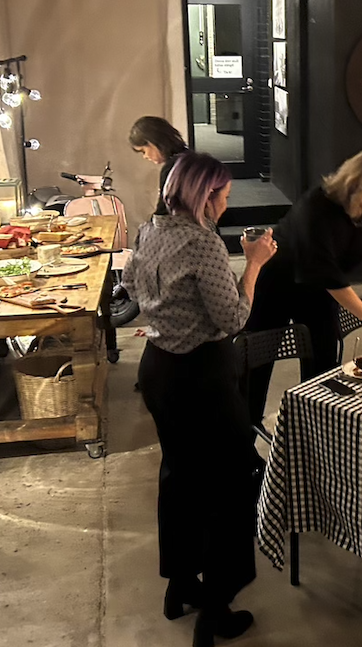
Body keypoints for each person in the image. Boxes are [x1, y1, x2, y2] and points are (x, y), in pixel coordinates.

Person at [123, 152, 276, 647]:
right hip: (201, 378)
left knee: (180, 477)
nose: (226, 205)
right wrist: (254, 265)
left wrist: (170, 310)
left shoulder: (149, 229)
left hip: (158, 369)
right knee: (228, 488)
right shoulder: (203, 242)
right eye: (224, 197)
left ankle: (181, 585)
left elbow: (128, 286)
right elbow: (233, 319)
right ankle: (215, 611)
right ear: (204, 197)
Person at [245, 147, 362, 427]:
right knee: (257, 364)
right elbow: (327, 274)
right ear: (357, 186)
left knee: (323, 365)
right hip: (276, 284)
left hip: (319, 291)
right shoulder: (316, 207)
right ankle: (244, 438)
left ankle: (314, 430)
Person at [130, 116, 189, 215]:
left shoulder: (172, 169)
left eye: (143, 151)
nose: (145, 156)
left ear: (152, 143)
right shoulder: (190, 158)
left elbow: (164, 211)